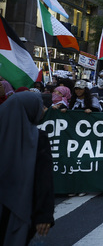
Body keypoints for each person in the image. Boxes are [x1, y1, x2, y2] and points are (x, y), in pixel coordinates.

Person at [0, 92, 54, 244]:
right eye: (39, 107)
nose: (42, 111)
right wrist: (44, 215)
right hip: (20, 209)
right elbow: (44, 179)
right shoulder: (38, 138)